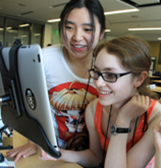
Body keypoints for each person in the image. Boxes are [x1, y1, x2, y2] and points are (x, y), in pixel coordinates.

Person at [39, 36, 161, 168]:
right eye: (96, 72)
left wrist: (122, 121)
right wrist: (60, 154)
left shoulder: (156, 118)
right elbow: (96, 158)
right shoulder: (94, 108)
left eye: (110, 75)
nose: (98, 83)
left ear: (139, 79)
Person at [5, 0, 105, 162]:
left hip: (91, 156)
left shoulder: (107, 68)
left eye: (87, 29)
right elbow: (28, 104)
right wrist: (34, 140)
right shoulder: (42, 59)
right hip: (48, 152)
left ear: (101, 34)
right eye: (69, 27)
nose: (77, 37)